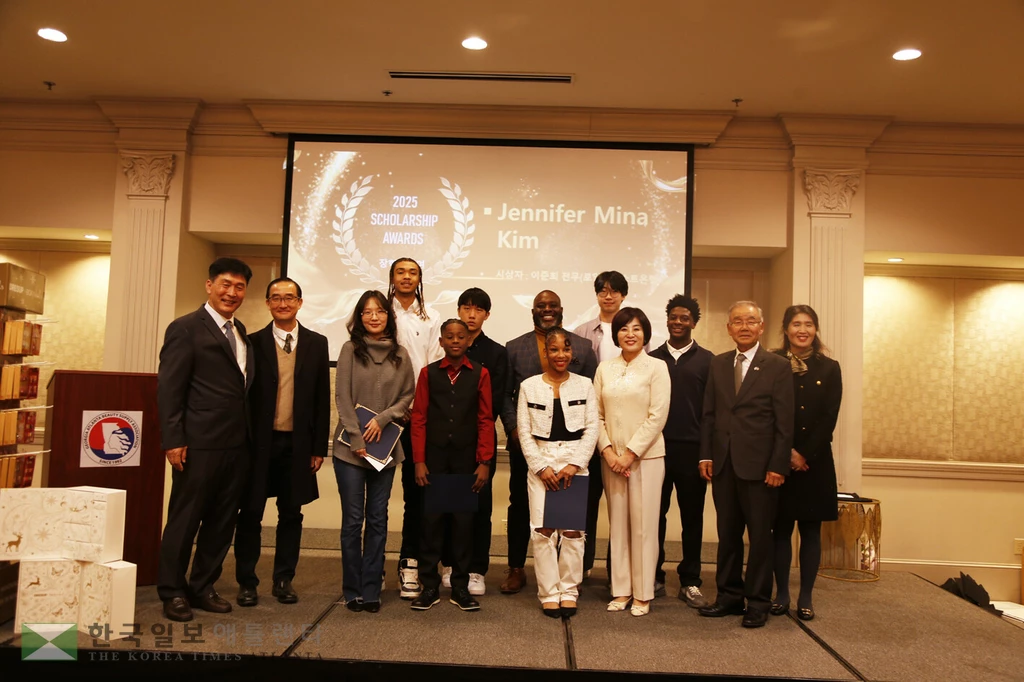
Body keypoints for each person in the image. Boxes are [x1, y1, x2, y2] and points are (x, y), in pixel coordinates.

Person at [156, 257, 255, 622]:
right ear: (209, 285)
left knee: (221, 521)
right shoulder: (185, 329)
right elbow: (169, 389)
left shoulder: (241, 329)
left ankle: (202, 586)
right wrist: (173, 440)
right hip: (197, 444)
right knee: (185, 519)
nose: (232, 292)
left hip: (236, 445)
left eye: (239, 287)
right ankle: (171, 590)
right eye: (225, 284)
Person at [698, 301, 794, 629]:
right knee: (727, 535)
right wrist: (706, 454)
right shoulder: (719, 364)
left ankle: (757, 602)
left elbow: (785, 422)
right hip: (724, 464)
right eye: (737, 321)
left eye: (750, 321)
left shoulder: (778, 366)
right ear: (728, 328)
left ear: (762, 327)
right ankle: (728, 596)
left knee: (760, 539)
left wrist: (778, 465)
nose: (744, 326)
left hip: (761, 468)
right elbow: (709, 413)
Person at [235, 277, 330, 607]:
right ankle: (247, 582)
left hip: (299, 445)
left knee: (291, 514)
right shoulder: (251, 342)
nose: (283, 303)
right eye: (276, 298)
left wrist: (319, 447)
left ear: (300, 303)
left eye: (289, 298)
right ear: (267, 304)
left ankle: (283, 579)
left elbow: (321, 398)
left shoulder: (317, 344)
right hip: (258, 444)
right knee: (250, 514)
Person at [500, 290, 597, 594]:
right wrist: (516, 431)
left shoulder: (582, 346)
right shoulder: (515, 347)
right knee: (523, 509)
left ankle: (569, 579)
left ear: (561, 309)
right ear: (533, 310)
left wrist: (577, 458)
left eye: (552, 305)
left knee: (571, 519)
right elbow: (505, 394)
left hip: (571, 450)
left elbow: (593, 403)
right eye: (541, 305)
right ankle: (517, 568)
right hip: (528, 446)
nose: (547, 309)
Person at [333, 290, 415, 613]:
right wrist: (356, 437)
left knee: (378, 520)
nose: (373, 317)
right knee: (353, 521)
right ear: (359, 317)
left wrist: (383, 419)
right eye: (366, 312)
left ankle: (371, 590)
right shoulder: (349, 349)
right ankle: (351, 589)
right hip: (351, 450)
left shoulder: (401, 354)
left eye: (379, 311)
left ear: (388, 317)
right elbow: (342, 397)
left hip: (386, 450)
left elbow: (407, 396)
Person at [410, 319, 494, 611]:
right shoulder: (428, 374)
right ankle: (429, 586)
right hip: (433, 460)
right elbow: (418, 418)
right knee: (430, 523)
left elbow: (485, 419)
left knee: (463, 524)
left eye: (461, 336)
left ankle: (460, 586)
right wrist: (419, 461)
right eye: (450, 336)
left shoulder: (481, 374)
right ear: (441, 342)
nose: (456, 341)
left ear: (469, 341)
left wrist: (484, 461)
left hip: (465, 461)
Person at [517, 327, 598, 618]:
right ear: (545, 353)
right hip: (542, 464)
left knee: (574, 533)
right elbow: (524, 433)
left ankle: (569, 591)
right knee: (543, 531)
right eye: (554, 350)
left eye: (565, 349)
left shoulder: (585, 385)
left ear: (572, 352)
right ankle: (549, 592)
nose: (560, 355)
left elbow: (592, 429)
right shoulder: (529, 386)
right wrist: (541, 467)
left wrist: (575, 464)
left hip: (575, 464)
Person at [594, 307, 670, 617]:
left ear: (645, 333)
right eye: (624, 328)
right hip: (611, 459)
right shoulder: (604, 370)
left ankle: (643, 593)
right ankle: (621, 590)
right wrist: (609, 452)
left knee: (644, 527)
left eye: (637, 328)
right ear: (616, 334)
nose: (630, 334)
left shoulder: (657, 368)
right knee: (619, 527)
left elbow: (658, 416)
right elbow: (596, 415)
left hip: (646, 459)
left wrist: (630, 453)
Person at [770, 305, 842, 622]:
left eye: (809, 324)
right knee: (780, 530)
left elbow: (829, 417)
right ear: (785, 329)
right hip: (778, 459)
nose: (803, 330)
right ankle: (782, 594)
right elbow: (766, 412)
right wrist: (785, 451)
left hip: (814, 463)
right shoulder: (771, 363)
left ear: (816, 329)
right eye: (796, 324)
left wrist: (803, 454)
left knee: (811, 531)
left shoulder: (829, 368)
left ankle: (806, 596)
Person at [439, 288, 508, 597]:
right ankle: (451, 564)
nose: (471, 314)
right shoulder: (446, 347)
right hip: (448, 443)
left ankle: (477, 569)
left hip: (480, 439)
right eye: (465, 308)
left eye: (477, 309)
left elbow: (494, 403)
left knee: (479, 506)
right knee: (450, 505)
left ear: (486, 315)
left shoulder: (496, 353)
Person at [572, 271, 639, 579]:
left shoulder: (637, 333)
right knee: (586, 502)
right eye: (603, 291)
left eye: (614, 291)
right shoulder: (582, 333)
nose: (608, 296)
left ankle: (618, 571)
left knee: (623, 508)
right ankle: (582, 567)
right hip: (589, 427)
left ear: (623, 295)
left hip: (626, 433)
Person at [649, 294, 713, 607]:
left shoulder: (708, 360)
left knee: (692, 518)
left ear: (694, 323)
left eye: (684, 318)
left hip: (692, 453)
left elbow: (711, 412)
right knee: (654, 516)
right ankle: (654, 574)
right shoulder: (651, 357)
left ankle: (690, 580)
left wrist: (706, 453)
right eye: (673, 317)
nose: (678, 322)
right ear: (667, 320)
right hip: (655, 450)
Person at [388, 257, 444, 600]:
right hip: (380, 418)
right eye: (400, 272)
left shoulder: (432, 317)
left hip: (417, 418)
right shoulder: (379, 312)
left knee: (416, 495)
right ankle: (370, 568)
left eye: (413, 272)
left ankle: (412, 563)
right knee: (375, 498)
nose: (406, 277)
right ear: (392, 278)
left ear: (420, 279)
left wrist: (415, 408)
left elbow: (434, 366)